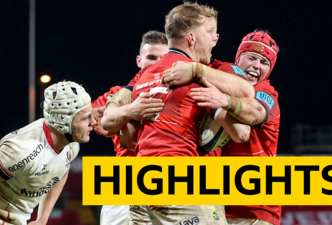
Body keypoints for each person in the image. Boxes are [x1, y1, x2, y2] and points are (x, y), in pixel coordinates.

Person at [102, 2, 254, 225]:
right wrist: (198, 71)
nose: (215, 39)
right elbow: (247, 92)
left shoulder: (144, 76)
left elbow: (122, 132)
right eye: (210, 32)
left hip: (142, 187)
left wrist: (131, 113)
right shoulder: (193, 72)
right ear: (191, 38)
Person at [0, 81, 96, 225]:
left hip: (17, 220)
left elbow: (61, 172)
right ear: (63, 121)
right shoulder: (22, 150)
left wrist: (42, 219)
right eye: (86, 118)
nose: (94, 122)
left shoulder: (71, 145)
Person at [189, 30, 281, 225]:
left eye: (264, 62)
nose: (256, 66)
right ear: (238, 58)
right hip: (219, 205)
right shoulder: (223, 79)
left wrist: (223, 101)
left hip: (254, 211)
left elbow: (254, 114)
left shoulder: (266, 93)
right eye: (251, 58)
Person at [93, 30, 169, 225]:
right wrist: (127, 111)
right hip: (125, 179)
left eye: (164, 57)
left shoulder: (180, 95)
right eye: (151, 57)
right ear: (139, 60)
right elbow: (85, 115)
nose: (158, 63)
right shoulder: (118, 94)